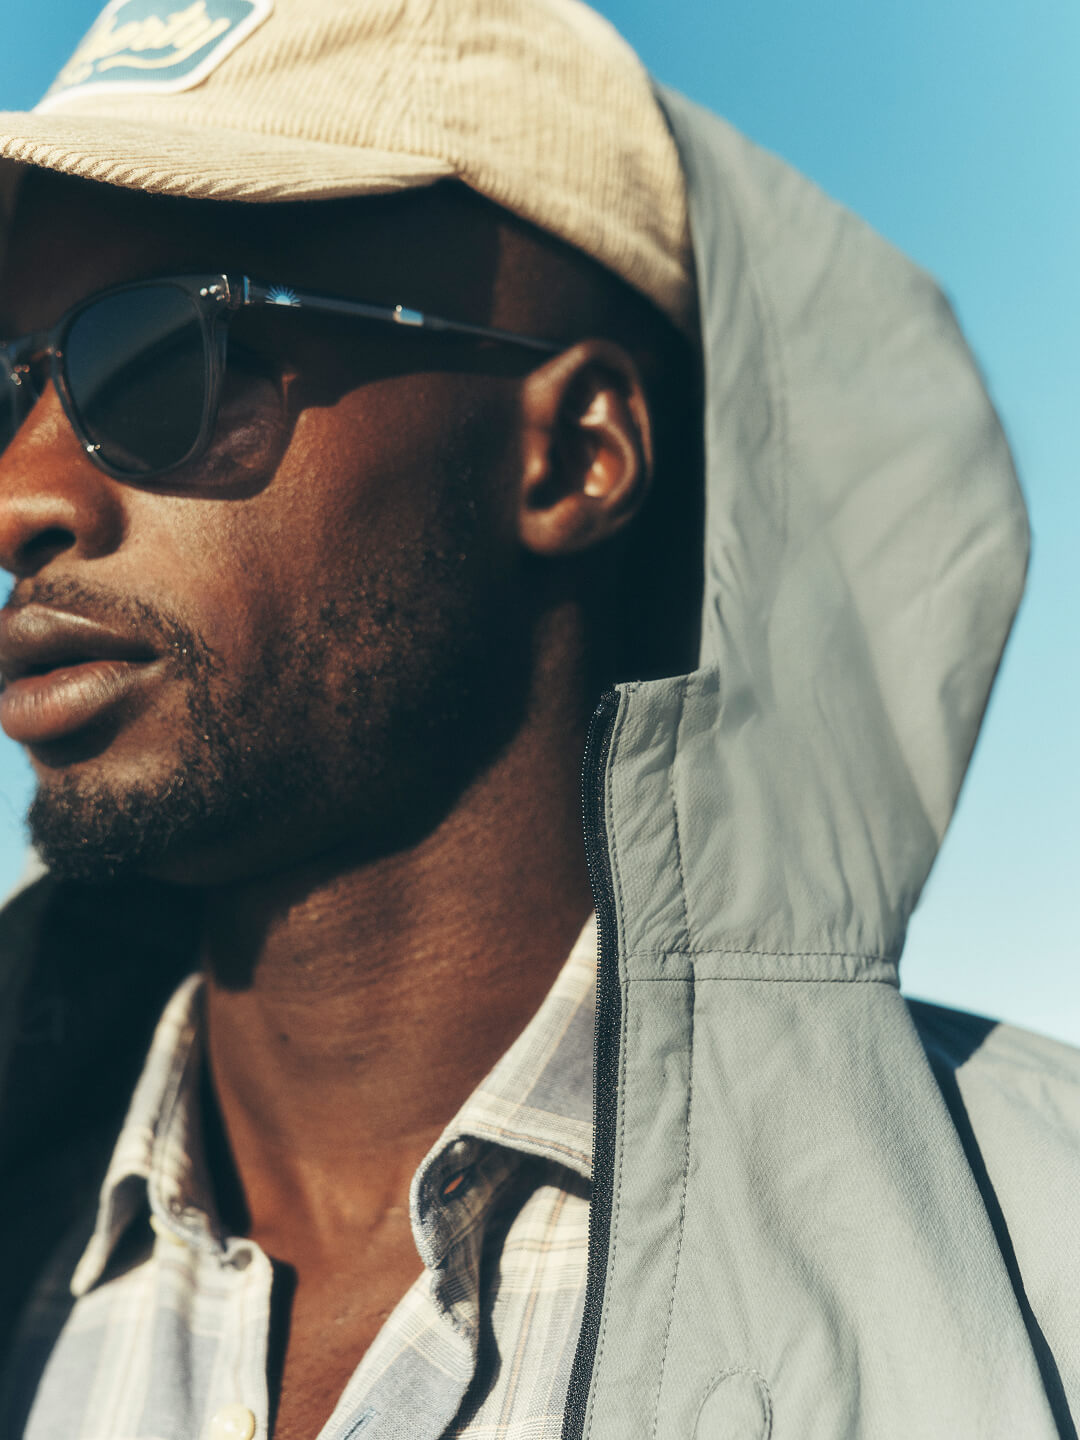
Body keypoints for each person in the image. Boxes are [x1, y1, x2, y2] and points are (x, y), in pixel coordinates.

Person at [0, 2, 1076, 1437]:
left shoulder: (1039, 1266)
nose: (24, 496)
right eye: (8, 389)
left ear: (574, 455)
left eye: (161, 359)